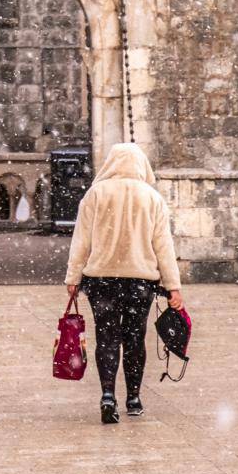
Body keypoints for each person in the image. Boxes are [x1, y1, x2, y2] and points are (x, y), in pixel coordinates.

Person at [63, 142, 184, 424]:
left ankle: (108, 395)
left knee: (106, 339)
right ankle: (133, 398)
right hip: (139, 282)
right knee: (134, 339)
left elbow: (81, 241)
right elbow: (163, 246)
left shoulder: (95, 195)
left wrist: (73, 277)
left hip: (101, 279)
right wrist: (173, 286)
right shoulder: (152, 198)